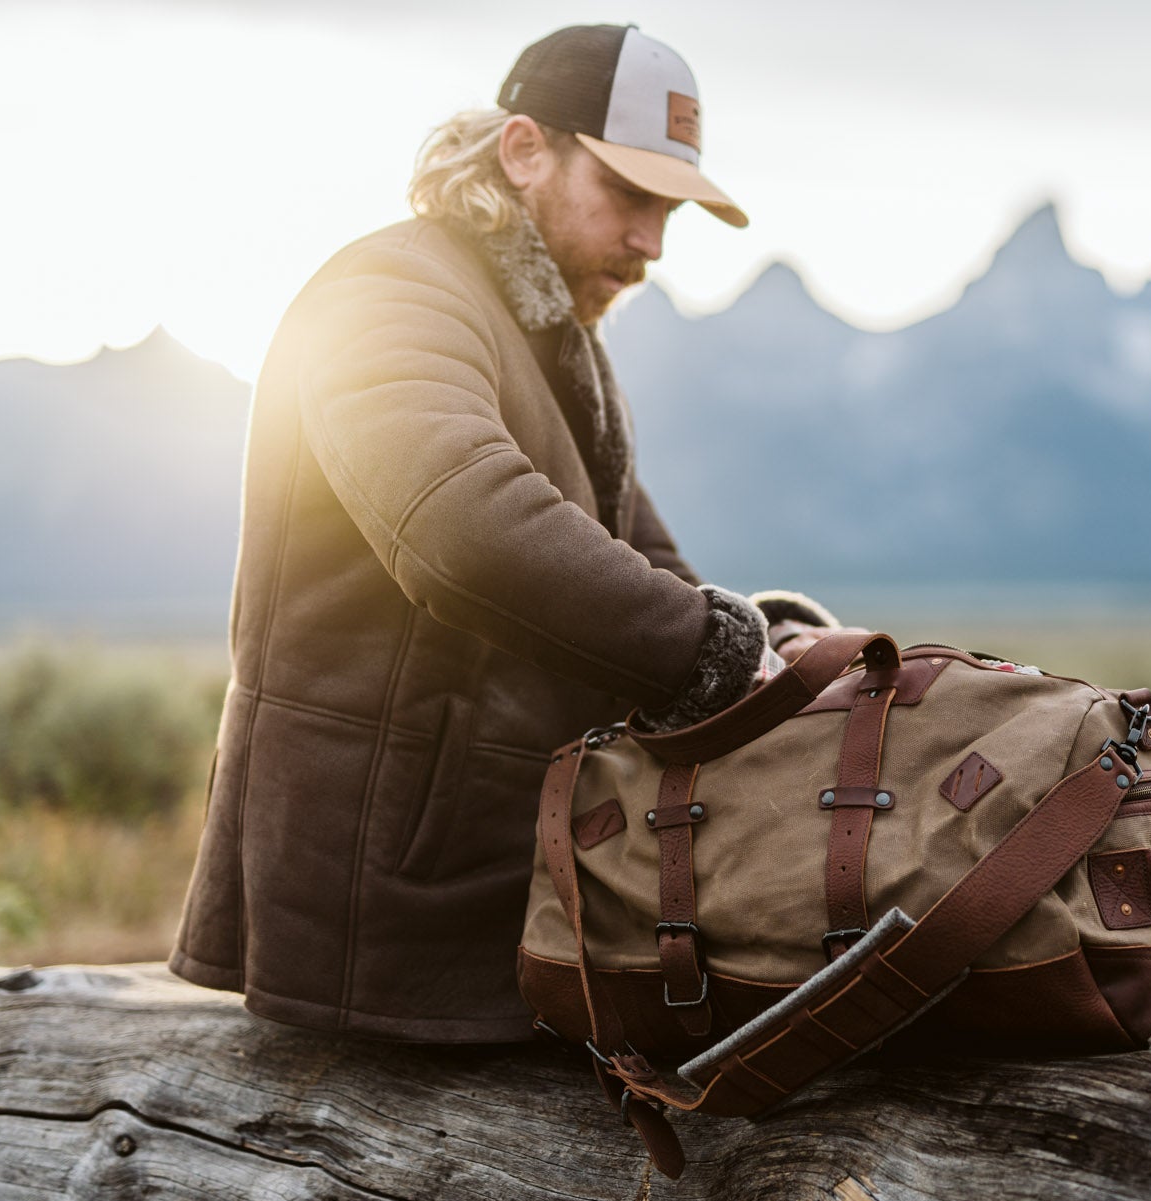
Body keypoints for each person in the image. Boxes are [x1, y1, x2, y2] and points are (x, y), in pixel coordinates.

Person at [168, 23, 838, 1043]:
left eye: (668, 211)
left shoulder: (537, 333)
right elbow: (461, 521)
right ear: (525, 150)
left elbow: (633, 551)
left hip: (475, 885)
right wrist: (711, 648)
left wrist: (768, 646)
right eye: (630, 195)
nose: (652, 244)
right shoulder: (388, 292)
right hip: (377, 902)